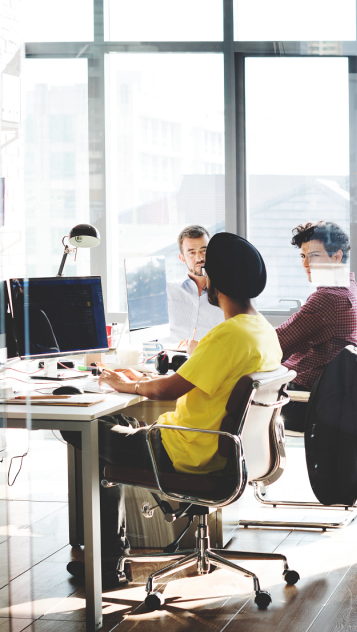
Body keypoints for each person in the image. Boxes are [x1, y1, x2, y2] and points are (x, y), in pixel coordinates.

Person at [65, 232, 282, 583]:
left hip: (182, 451)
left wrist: (125, 383)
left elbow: (168, 388)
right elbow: (194, 378)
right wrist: (136, 379)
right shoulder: (261, 330)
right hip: (220, 451)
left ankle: (107, 564)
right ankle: (108, 557)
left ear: (214, 281)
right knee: (115, 420)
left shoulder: (227, 335)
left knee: (81, 428)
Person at [275, 221, 357, 432]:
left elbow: (275, 345)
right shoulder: (354, 292)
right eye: (303, 256)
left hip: (304, 403)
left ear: (337, 256)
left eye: (314, 255)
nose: (306, 264)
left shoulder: (328, 299)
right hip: (334, 400)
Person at [166, 225, 226, 350]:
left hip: (209, 361)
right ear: (182, 258)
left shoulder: (227, 295)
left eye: (204, 250)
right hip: (169, 363)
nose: (199, 258)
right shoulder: (167, 291)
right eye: (192, 252)